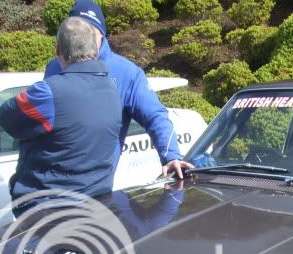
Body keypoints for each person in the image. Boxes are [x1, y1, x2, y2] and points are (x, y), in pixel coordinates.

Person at [45, 0, 193, 179]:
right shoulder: (54, 66)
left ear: (102, 35)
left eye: (91, 32)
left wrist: (170, 156)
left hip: (94, 184)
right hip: (50, 180)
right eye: (77, 32)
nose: (83, 38)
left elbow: (155, 116)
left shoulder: (127, 73)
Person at [0, 17, 121, 213]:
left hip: (48, 206)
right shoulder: (111, 88)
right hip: (97, 201)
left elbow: (5, 117)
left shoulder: (47, 93)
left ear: (58, 51)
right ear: (96, 50)